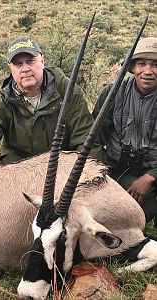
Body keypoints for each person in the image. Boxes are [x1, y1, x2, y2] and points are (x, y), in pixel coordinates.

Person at [0, 36, 101, 168]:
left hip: (59, 168)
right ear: (10, 68)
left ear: (42, 60)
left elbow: (85, 138)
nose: (25, 69)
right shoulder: (4, 98)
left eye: (30, 61)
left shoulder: (66, 90)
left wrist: (84, 174)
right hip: (17, 169)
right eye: (18, 64)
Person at [92, 37, 157, 223]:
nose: (148, 71)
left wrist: (150, 177)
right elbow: (95, 137)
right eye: (141, 64)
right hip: (119, 170)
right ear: (133, 67)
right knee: (140, 210)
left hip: (152, 170)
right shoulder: (112, 92)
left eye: (154, 65)